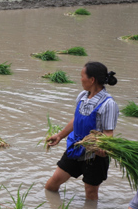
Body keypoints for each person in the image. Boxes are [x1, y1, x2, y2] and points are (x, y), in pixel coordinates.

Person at [45, 62, 118, 200]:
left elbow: (108, 134)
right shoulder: (83, 96)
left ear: (92, 80)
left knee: (90, 193)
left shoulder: (109, 104)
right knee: (52, 184)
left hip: (94, 156)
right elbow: (77, 119)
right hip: (75, 147)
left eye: (82, 76)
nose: (80, 79)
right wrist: (60, 136)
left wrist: (102, 148)